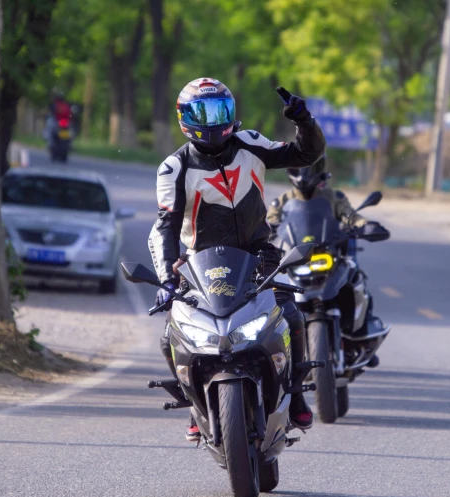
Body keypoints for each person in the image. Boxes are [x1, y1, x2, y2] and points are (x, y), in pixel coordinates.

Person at [149, 77, 326, 442]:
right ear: (185, 118)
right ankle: (196, 405)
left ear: (232, 113)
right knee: (171, 332)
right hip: (200, 262)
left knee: (289, 313)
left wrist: (304, 122)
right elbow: (165, 227)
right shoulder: (173, 168)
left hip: (258, 253)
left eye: (220, 111)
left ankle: (293, 395)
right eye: (203, 112)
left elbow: (306, 155)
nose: (213, 122)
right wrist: (167, 278)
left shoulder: (250, 142)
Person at [267, 155, 390, 336]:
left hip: (328, 254)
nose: (303, 174)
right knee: (268, 292)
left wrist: (365, 225)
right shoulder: (281, 202)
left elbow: (352, 217)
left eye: (309, 169)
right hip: (296, 259)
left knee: (356, 278)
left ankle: (362, 332)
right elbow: (270, 226)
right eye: (299, 169)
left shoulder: (333, 197)